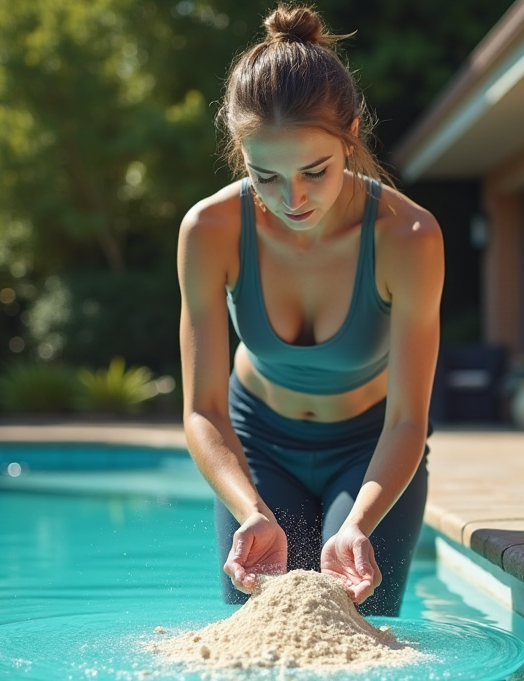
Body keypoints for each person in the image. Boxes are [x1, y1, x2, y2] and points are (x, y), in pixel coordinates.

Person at [177, 3, 444, 618]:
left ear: (350, 132)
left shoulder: (408, 236)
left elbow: (409, 420)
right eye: (263, 175)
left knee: (356, 644)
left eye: (314, 171)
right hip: (257, 443)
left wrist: (358, 525)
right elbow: (203, 410)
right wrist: (250, 510)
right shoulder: (209, 230)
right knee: (258, 645)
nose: (290, 198)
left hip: (371, 447)